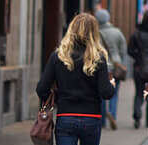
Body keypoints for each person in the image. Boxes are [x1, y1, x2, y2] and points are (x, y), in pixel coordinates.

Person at [36, 13, 116, 145]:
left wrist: (56, 98)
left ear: (71, 29)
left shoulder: (58, 56)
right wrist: (111, 85)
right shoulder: (98, 58)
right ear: (94, 32)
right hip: (91, 117)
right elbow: (106, 93)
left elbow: (41, 89)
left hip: (66, 116)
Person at [95, 8, 126, 130]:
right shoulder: (117, 32)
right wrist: (120, 61)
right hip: (115, 67)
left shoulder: (95, 33)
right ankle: (112, 115)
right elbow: (123, 49)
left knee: (101, 94)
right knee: (114, 93)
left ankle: (102, 120)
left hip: (101, 67)